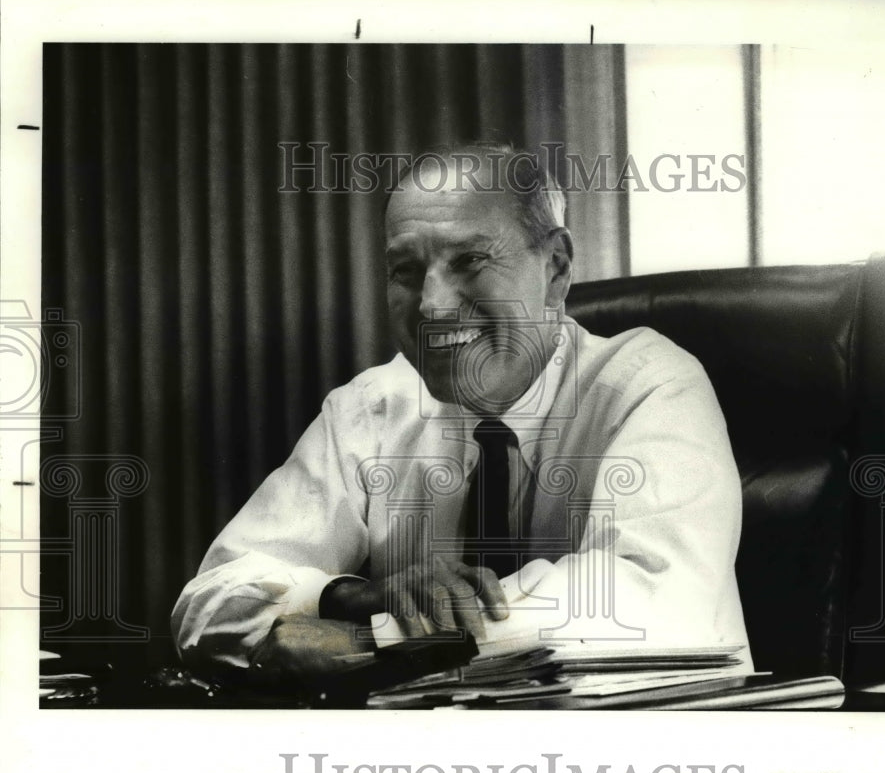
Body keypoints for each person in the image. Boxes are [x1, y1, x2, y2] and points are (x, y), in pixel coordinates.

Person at [171, 144, 750, 680]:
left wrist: (377, 641)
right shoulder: (370, 408)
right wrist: (348, 597)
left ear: (556, 268)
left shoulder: (650, 385)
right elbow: (207, 601)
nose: (431, 305)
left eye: (469, 260)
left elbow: (647, 600)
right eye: (405, 271)